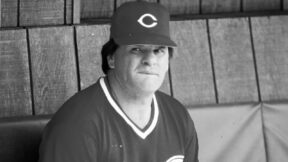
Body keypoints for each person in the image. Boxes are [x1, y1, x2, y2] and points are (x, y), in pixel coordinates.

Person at [38, 1, 199, 162]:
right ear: (111, 58)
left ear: (168, 61)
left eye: (159, 50)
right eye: (137, 49)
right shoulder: (76, 125)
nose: (150, 60)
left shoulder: (178, 116)